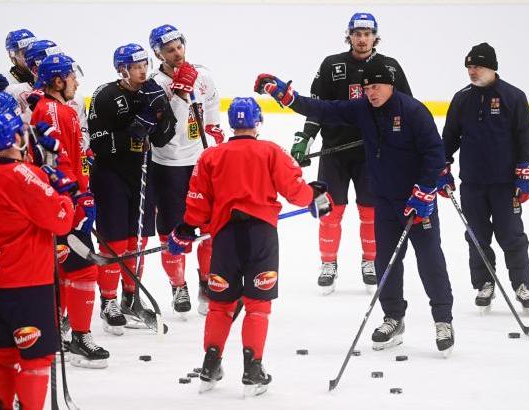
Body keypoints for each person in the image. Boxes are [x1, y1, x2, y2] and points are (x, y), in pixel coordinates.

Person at [254, 62, 455, 356]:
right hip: (385, 201)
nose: (371, 93)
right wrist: (290, 98)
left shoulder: (413, 111)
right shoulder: (362, 108)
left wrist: (425, 190)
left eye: (376, 87)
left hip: (416, 201)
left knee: (430, 260)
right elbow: (325, 109)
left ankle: (443, 320)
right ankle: (393, 319)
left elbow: (434, 153)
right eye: (367, 88)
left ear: (390, 85)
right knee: (386, 262)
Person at [167, 97, 332, 395]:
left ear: (232, 123)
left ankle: (210, 366)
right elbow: (295, 191)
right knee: (258, 305)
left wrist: (188, 228)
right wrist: (315, 197)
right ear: (258, 122)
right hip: (261, 237)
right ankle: (253, 371)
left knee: (220, 304)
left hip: (225, 238)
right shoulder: (270, 151)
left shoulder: (210, 156)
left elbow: (197, 202)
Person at [290, 12, 412, 294]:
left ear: (375, 36)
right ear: (350, 36)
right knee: (329, 210)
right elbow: (317, 107)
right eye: (357, 33)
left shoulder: (390, 67)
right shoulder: (332, 65)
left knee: (371, 211)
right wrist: (305, 138)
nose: (362, 39)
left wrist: (403, 146)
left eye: (367, 34)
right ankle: (328, 263)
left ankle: (370, 261)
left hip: (374, 153)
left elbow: (406, 108)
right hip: (334, 152)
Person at [0, 112, 74, 409]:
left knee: (4, 356)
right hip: (28, 281)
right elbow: (61, 220)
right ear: (16, 138)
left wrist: (44, 175)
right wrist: (65, 195)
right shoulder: (20, 175)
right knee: (36, 358)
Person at [439, 42, 529, 313]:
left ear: (492, 67)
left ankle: (521, 284)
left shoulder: (513, 96)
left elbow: (525, 137)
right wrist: (441, 166)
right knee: (476, 236)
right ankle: (484, 282)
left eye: (477, 66)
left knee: (511, 234)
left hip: (505, 184)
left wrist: (527, 170)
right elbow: (448, 139)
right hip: (472, 182)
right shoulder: (461, 98)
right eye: (469, 67)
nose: (472, 71)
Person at [28, 53, 110, 368]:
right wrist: (77, 197)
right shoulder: (51, 111)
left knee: (67, 269)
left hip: (67, 201)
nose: (77, 81)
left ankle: (64, 330)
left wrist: (82, 191)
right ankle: (79, 337)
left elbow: (73, 157)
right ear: (59, 81)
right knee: (83, 268)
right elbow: (55, 162)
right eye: (72, 77)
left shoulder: (61, 109)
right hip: (62, 205)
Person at [88, 43, 175, 334]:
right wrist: (138, 126)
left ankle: (131, 298)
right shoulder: (105, 95)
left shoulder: (152, 91)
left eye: (144, 65)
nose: (142, 70)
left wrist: (161, 113)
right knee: (115, 242)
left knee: (137, 242)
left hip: (142, 172)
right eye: (136, 66)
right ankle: (109, 301)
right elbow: (100, 144)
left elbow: (163, 139)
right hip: (111, 174)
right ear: (121, 69)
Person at [148, 24, 223, 318]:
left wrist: (214, 131)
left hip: (199, 161)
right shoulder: (154, 84)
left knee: (207, 225)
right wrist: (179, 93)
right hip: (166, 163)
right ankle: (178, 285)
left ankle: (205, 282)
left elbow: (212, 103)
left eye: (179, 46)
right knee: (170, 230)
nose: (177, 53)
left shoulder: (202, 75)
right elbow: (164, 128)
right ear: (159, 54)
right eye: (169, 50)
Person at [0, 29, 37, 95]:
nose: (31, 56)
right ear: (12, 55)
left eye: (32, 51)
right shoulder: (1, 81)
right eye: (24, 53)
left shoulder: (48, 74)